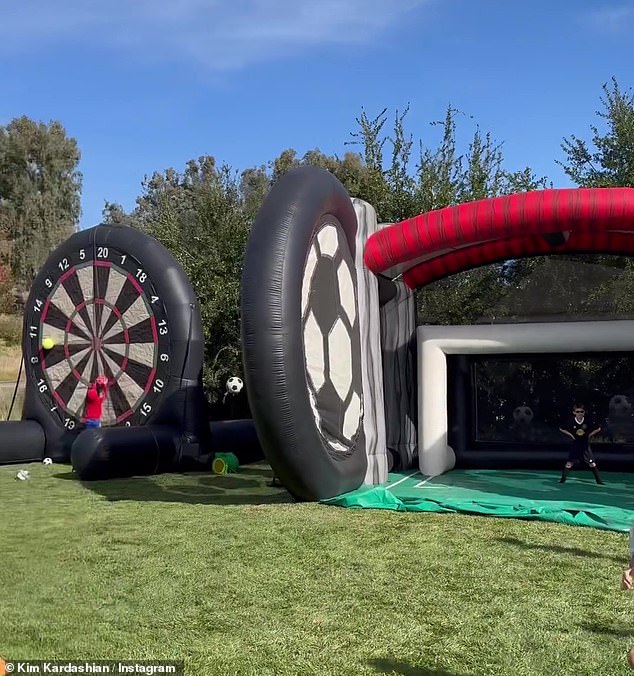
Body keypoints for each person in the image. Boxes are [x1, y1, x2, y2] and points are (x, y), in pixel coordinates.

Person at [558, 402, 604, 484]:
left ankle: (599, 481)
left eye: (581, 411)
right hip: (575, 444)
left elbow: (598, 428)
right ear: (574, 412)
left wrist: (589, 435)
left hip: (585, 444)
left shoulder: (588, 420)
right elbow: (561, 428)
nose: (579, 413)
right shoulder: (570, 421)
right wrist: (571, 435)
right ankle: (562, 480)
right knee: (569, 463)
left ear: (584, 412)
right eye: (577, 411)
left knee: (592, 463)